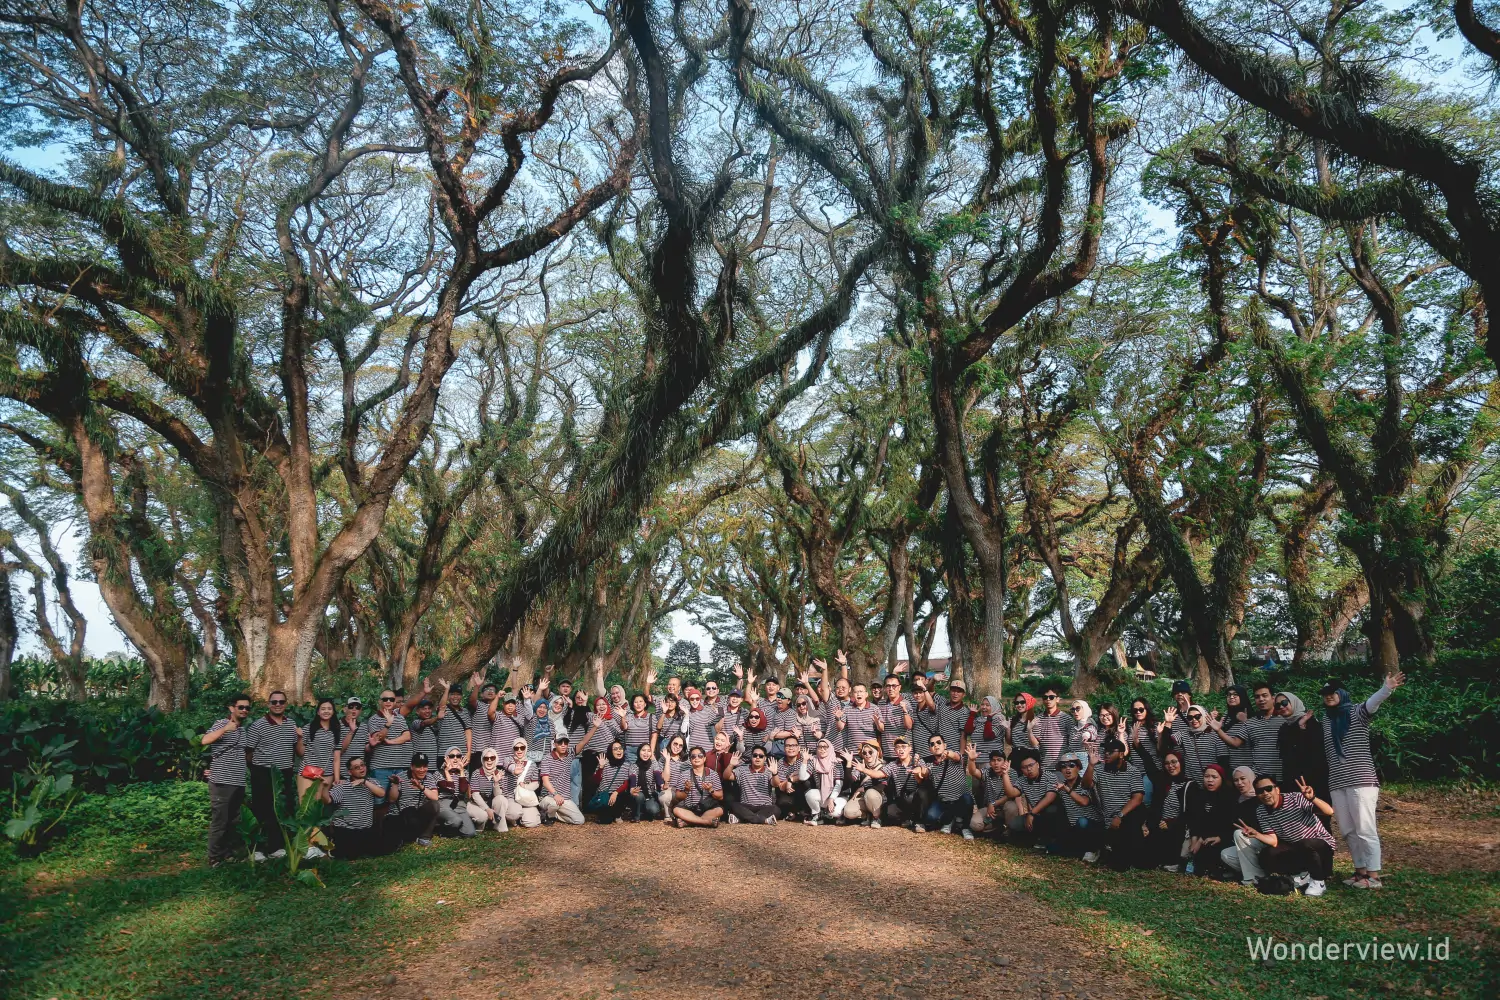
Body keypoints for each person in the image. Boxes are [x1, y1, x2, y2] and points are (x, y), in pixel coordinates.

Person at [1311, 671, 1404, 889]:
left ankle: (1374, 876)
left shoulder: (1357, 712)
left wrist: (1386, 688)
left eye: (1333, 692)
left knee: (1365, 828)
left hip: (1361, 780)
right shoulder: (1326, 719)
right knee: (1348, 830)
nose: (1329, 696)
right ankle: (1360, 872)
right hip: (1337, 782)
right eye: (1325, 694)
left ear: (1342, 693)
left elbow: (1373, 703)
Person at [1237, 774, 1338, 896]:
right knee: (1268, 854)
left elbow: (1329, 811)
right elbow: (1273, 841)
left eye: (1268, 789)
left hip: (1319, 848)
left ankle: (1318, 881)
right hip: (1297, 849)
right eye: (1259, 791)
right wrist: (1257, 834)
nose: (1265, 793)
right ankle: (1301, 876)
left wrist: (1312, 798)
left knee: (1305, 843)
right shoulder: (1261, 811)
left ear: (1277, 789)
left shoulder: (1296, 798)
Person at [245, 689, 304, 861]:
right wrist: (257, 770)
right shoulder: (258, 725)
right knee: (262, 809)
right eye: (274, 702)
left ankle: (275, 847)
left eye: (281, 702)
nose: (277, 705)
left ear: (286, 704)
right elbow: (248, 752)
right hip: (263, 773)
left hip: (284, 773)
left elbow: (296, 750)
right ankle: (257, 848)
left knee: (280, 809)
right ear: (268, 704)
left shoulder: (291, 724)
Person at [202, 693, 251, 865]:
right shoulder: (221, 724)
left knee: (233, 821)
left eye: (247, 708)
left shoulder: (243, 730)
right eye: (241, 707)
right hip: (222, 781)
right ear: (232, 708)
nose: (244, 710)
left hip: (238, 782)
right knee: (220, 821)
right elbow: (204, 740)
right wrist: (224, 730)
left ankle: (227, 854)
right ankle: (214, 857)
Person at [1085, 737, 1145, 869]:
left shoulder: (1132, 771)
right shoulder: (1099, 769)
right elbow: (1086, 785)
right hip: (1108, 819)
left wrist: (1120, 816)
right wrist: (1090, 765)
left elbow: (1137, 798)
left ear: (1122, 754)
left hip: (1127, 815)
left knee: (1133, 860)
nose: (1106, 753)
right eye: (1105, 750)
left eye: (1111, 751)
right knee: (1116, 860)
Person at [1209, 681, 1286, 783]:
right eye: (1257, 697)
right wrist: (1218, 730)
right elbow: (1235, 743)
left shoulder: (1285, 720)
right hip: (1258, 776)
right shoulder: (1251, 722)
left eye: (1264, 696)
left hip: (1283, 774)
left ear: (1273, 698)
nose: (1261, 699)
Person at [321, 757, 396, 859]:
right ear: (350, 772)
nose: (361, 768)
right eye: (357, 767)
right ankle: (335, 846)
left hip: (365, 829)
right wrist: (325, 787)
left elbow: (381, 793)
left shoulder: (371, 782)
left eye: (362, 765)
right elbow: (328, 800)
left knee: (383, 849)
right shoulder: (343, 786)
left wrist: (364, 782)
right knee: (350, 854)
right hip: (346, 828)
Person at [1183, 763, 1235, 877]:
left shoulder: (1228, 797)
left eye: (1214, 777)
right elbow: (1194, 820)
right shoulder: (1199, 796)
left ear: (1222, 779)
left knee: (1209, 850)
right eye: (1207, 776)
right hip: (1199, 836)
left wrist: (1203, 840)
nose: (1210, 780)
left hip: (1219, 837)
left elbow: (1226, 824)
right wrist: (1194, 840)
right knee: (1185, 853)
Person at [1049, 751, 1103, 860]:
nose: (1067, 769)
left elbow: (1084, 802)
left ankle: (1093, 849)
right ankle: (1078, 849)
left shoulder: (1085, 783)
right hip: (1074, 828)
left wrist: (1067, 790)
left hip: (1091, 826)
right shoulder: (1061, 787)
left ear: (1078, 768)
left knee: (1082, 822)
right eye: (1063, 767)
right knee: (1052, 848)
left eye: (1072, 766)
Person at [919, 735, 974, 840]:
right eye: (932, 744)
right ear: (929, 749)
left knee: (967, 799)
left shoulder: (955, 758)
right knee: (930, 818)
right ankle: (949, 820)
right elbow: (924, 771)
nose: (936, 745)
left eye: (939, 742)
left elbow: (956, 756)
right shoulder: (928, 762)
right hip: (943, 801)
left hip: (960, 800)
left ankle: (965, 827)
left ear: (945, 745)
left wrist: (948, 753)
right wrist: (920, 770)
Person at [1000, 750, 1058, 846]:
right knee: (1014, 824)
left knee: (1051, 810)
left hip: (1050, 814)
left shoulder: (1050, 776)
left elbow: (1050, 798)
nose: (1029, 769)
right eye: (1025, 767)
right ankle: (1035, 837)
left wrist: (1031, 814)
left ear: (1038, 765)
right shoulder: (1022, 780)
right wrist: (1005, 774)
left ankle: (1048, 839)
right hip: (1036, 815)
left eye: (1031, 765)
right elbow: (1011, 793)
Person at [1220, 765, 1266, 885]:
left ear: (1251, 778)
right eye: (1236, 780)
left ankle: (1250, 878)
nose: (1239, 783)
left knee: (1239, 833)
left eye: (1243, 779)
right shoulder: (1238, 801)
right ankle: (1259, 874)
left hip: (1265, 840)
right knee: (1226, 854)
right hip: (1248, 843)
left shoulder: (1261, 798)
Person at [366, 689, 413, 792]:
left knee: (398, 798)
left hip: (400, 766)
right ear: (380, 701)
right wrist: (388, 724)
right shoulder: (373, 719)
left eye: (391, 699)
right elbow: (378, 738)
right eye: (385, 699)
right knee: (379, 800)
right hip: (380, 767)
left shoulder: (400, 718)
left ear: (394, 701)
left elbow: (407, 736)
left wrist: (390, 741)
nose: (388, 702)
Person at [1148, 749, 1188, 870]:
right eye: (1167, 763)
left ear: (1181, 763)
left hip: (1178, 828)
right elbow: (1149, 764)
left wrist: (1171, 822)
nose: (1170, 766)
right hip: (1159, 826)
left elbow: (1190, 815)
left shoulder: (1190, 786)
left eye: (1174, 762)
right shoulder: (1163, 782)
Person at [389, 754, 440, 846]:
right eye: (418, 766)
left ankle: (424, 837)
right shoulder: (401, 776)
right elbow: (392, 799)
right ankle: (406, 837)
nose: (422, 769)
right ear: (412, 767)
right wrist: (395, 784)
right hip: (403, 814)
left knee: (435, 805)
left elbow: (435, 797)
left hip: (419, 813)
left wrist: (421, 787)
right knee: (410, 811)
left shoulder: (429, 777)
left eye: (425, 766)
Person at [881, 736, 931, 829]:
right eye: (898, 747)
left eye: (904, 746)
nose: (900, 750)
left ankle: (919, 821)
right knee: (888, 811)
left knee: (922, 793)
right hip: (902, 799)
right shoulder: (893, 764)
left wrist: (918, 770)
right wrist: (863, 769)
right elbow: (879, 773)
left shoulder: (919, 762)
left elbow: (921, 778)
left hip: (916, 798)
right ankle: (907, 818)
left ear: (910, 748)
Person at [670, 746, 725, 827]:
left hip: (707, 808)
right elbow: (678, 796)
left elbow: (720, 796)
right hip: (689, 808)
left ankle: (689, 822)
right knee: (676, 810)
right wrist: (686, 790)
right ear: (690, 760)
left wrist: (711, 790)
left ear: (704, 759)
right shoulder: (684, 775)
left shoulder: (713, 774)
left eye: (700, 756)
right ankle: (706, 822)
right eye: (693, 756)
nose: (696, 758)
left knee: (720, 810)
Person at [725, 746, 780, 824]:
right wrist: (731, 765)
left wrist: (775, 773)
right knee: (733, 805)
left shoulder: (769, 771)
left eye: (761, 756)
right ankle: (763, 820)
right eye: (755, 755)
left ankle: (742, 818)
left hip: (764, 807)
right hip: (746, 806)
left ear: (765, 758)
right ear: (751, 757)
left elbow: (776, 784)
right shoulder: (742, 770)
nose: (757, 758)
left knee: (776, 809)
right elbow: (727, 776)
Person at [840, 740, 888, 826]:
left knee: (870, 793)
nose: (867, 755)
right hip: (863, 797)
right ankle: (867, 816)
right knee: (848, 812)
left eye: (870, 752)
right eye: (864, 753)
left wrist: (863, 789)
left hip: (878, 797)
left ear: (877, 752)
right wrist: (848, 763)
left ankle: (877, 818)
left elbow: (882, 786)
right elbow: (849, 781)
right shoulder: (861, 765)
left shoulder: (884, 766)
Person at [539, 736, 585, 825]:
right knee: (554, 804)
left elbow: (583, 742)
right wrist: (555, 794)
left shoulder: (569, 755)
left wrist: (595, 727)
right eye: (560, 743)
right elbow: (545, 782)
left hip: (565, 799)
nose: (563, 745)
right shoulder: (547, 759)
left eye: (566, 743)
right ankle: (548, 815)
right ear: (554, 744)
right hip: (549, 797)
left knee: (579, 820)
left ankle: (555, 815)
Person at [1030, 686, 1079, 769]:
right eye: (1045, 697)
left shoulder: (1066, 718)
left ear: (1057, 699)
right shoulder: (1037, 720)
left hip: (1063, 766)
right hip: (1044, 766)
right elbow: (1036, 744)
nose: (1048, 700)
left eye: (1051, 697)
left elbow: (1072, 742)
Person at [587, 740, 634, 824]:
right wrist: (601, 767)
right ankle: (604, 813)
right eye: (615, 749)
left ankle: (617, 814)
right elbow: (596, 781)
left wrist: (616, 792)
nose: (619, 750)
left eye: (620, 748)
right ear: (610, 752)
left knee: (624, 795)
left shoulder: (627, 765)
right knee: (605, 821)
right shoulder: (605, 763)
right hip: (605, 794)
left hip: (618, 794)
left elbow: (626, 783)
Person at [302, 698, 340, 799]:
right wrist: (299, 737)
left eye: (329, 709)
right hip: (309, 772)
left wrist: (337, 777)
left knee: (319, 806)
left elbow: (336, 758)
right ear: (318, 712)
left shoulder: (337, 730)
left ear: (333, 711)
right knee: (306, 805)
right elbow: (301, 751)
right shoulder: (309, 728)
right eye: (323, 709)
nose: (326, 711)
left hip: (327, 773)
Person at [434, 748, 477, 838]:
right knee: (456, 821)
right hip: (444, 803)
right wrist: (446, 771)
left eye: (458, 756)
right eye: (452, 756)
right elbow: (450, 788)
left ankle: (453, 829)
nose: (455, 758)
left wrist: (461, 771)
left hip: (459, 803)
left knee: (470, 833)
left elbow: (463, 790)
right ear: (446, 758)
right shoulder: (439, 773)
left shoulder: (464, 772)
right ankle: (443, 830)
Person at [468, 749, 513, 831]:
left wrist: (496, 782)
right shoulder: (476, 773)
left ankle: (500, 827)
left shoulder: (500, 773)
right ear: (482, 760)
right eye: (486, 758)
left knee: (501, 799)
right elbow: (475, 795)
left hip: (492, 802)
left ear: (496, 759)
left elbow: (498, 795)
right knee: (483, 816)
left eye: (492, 758)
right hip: (478, 803)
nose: (489, 760)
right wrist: (487, 809)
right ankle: (481, 825)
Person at [967, 748, 1009, 837]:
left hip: (1004, 807)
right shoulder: (988, 772)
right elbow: (973, 772)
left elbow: (1010, 795)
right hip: (989, 810)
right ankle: (997, 827)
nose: (996, 763)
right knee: (974, 825)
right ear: (990, 763)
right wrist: (971, 760)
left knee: (1012, 807)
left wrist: (993, 804)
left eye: (999, 760)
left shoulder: (1011, 772)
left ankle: (1009, 831)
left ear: (1005, 762)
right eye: (993, 760)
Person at [502, 738, 543, 828]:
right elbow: (509, 766)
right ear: (513, 749)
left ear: (526, 748)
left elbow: (536, 783)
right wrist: (514, 770)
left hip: (525, 797)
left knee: (532, 823)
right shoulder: (508, 759)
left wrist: (525, 786)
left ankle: (522, 817)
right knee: (513, 814)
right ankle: (513, 818)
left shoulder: (532, 764)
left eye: (522, 747)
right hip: (511, 797)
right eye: (516, 748)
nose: (519, 750)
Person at [805, 737, 845, 824]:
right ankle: (817, 814)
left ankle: (834, 815)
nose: (822, 749)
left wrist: (831, 799)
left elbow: (839, 784)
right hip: (822, 794)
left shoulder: (836, 762)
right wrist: (804, 761)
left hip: (837, 796)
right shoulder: (814, 761)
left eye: (825, 747)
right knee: (810, 794)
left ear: (830, 748)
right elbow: (803, 777)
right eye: (820, 747)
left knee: (834, 812)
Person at [772, 735, 813, 820]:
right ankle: (792, 812)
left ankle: (804, 811)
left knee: (806, 783)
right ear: (784, 748)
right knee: (782, 801)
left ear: (798, 748)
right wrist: (789, 781)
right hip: (788, 791)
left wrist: (791, 779)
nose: (790, 748)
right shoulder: (780, 762)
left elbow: (805, 776)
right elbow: (781, 786)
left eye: (793, 745)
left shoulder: (805, 758)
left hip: (803, 790)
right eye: (787, 746)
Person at [435, 681, 474, 771]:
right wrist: (447, 689)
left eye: (458, 694)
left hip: (461, 753)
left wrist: (468, 753)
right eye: (452, 694)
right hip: (444, 752)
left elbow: (468, 732)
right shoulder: (444, 709)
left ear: (461, 696)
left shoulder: (465, 711)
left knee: (461, 778)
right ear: (448, 696)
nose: (455, 697)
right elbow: (442, 706)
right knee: (444, 779)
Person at [629, 743, 669, 822]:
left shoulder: (653, 763)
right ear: (638, 752)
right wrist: (632, 789)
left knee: (654, 810)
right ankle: (636, 816)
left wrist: (662, 785)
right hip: (638, 794)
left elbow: (658, 776)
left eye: (648, 751)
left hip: (649, 795)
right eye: (643, 750)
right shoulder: (634, 766)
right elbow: (633, 781)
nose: (646, 753)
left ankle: (643, 812)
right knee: (638, 796)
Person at [877, 675, 912, 760]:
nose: (891, 688)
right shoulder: (881, 704)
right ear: (885, 688)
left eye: (894, 686)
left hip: (903, 751)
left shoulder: (905, 703)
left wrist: (904, 711)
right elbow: (880, 729)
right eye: (888, 686)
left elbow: (909, 726)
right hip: (887, 751)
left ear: (899, 687)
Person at [965, 696, 1008, 764]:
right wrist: (972, 714)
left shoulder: (999, 720)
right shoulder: (979, 720)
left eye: (987, 705)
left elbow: (988, 736)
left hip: (992, 762)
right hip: (976, 760)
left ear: (994, 707)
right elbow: (968, 731)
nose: (984, 707)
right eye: (982, 704)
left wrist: (989, 719)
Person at [336, 696, 367, 782]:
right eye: (351, 707)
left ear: (360, 711)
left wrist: (373, 744)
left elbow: (365, 748)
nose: (354, 709)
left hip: (359, 773)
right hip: (342, 773)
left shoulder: (364, 727)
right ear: (345, 709)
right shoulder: (337, 726)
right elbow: (339, 751)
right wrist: (351, 731)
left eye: (357, 708)